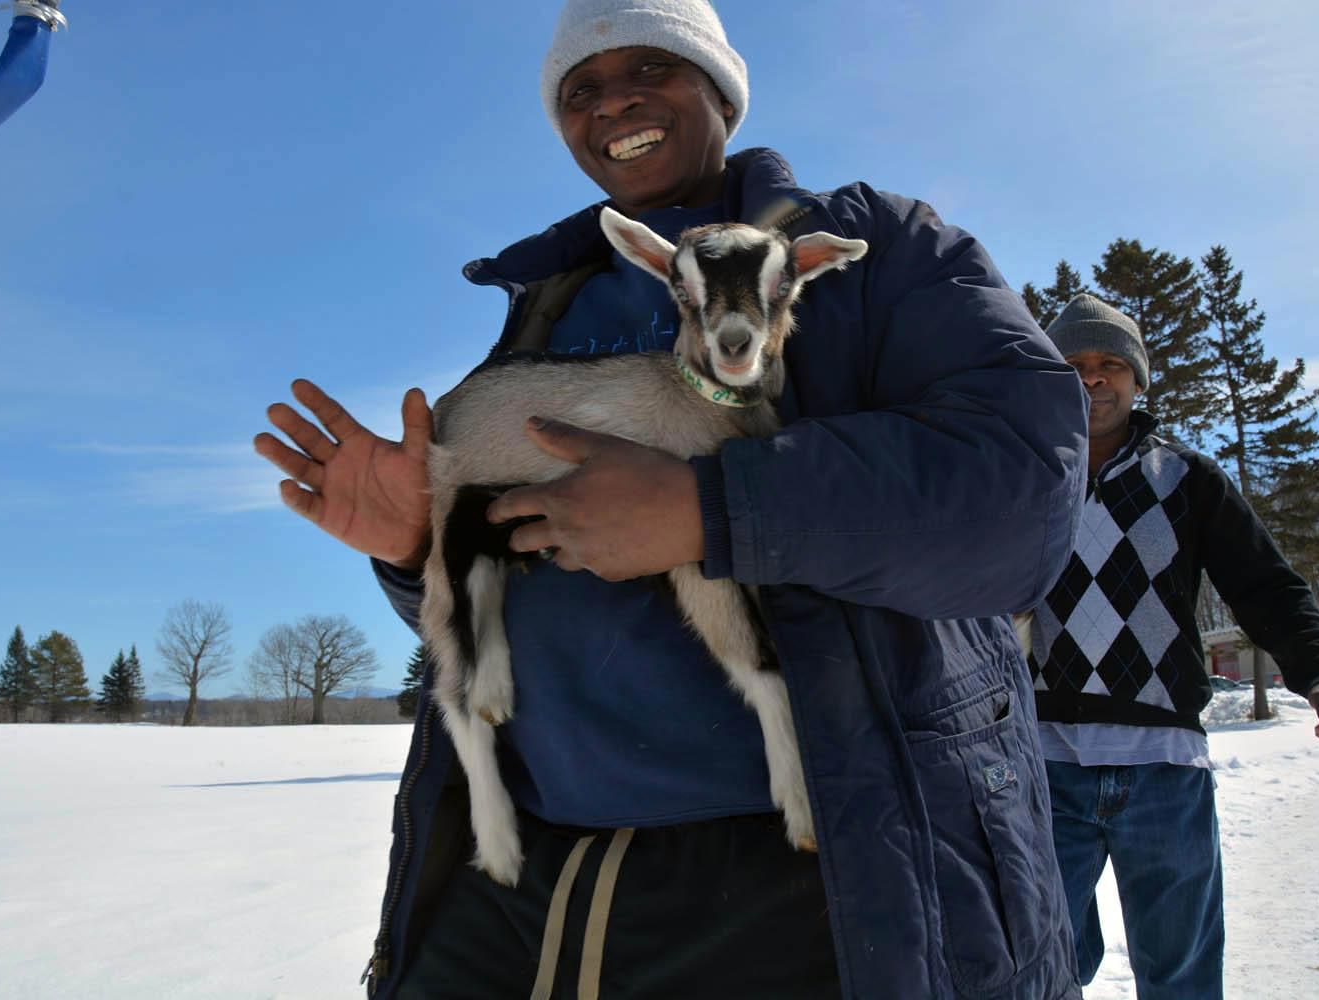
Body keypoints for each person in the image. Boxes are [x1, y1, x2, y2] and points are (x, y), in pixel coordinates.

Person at [255, 2, 1089, 997]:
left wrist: (712, 507)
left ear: (721, 91)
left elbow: (1025, 493)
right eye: (581, 89)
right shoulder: (548, 307)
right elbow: (531, 569)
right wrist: (415, 545)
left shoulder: (885, 253)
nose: (614, 101)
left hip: (828, 880)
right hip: (525, 891)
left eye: (652, 67)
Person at [1023, 293, 1319, 998]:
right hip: (1045, 765)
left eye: (1111, 363)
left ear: (1138, 379)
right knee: (1039, 967)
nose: (1093, 378)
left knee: (1180, 976)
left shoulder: (1187, 478)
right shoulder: (1023, 475)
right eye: (1074, 363)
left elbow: (1267, 587)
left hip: (1165, 768)